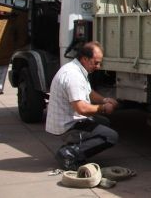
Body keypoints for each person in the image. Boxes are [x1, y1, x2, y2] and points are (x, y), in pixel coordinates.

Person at [46, 41, 119, 170]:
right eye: (96, 62)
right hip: (67, 126)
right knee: (111, 136)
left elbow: (88, 92)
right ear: (85, 59)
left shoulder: (77, 69)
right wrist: (103, 108)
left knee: (104, 122)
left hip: (67, 121)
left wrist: (105, 100)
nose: (98, 66)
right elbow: (82, 108)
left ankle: (74, 147)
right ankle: (69, 153)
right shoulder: (73, 76)